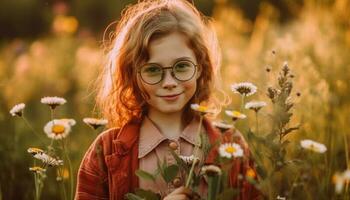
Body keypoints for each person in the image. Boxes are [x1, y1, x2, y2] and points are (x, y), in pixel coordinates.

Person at [75, 0, 262, 199]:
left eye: (181, 66)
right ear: (132, 75)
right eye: (153, 70)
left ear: (200, 65)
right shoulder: (106, 151)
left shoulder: (230, 144)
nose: (169, 82)